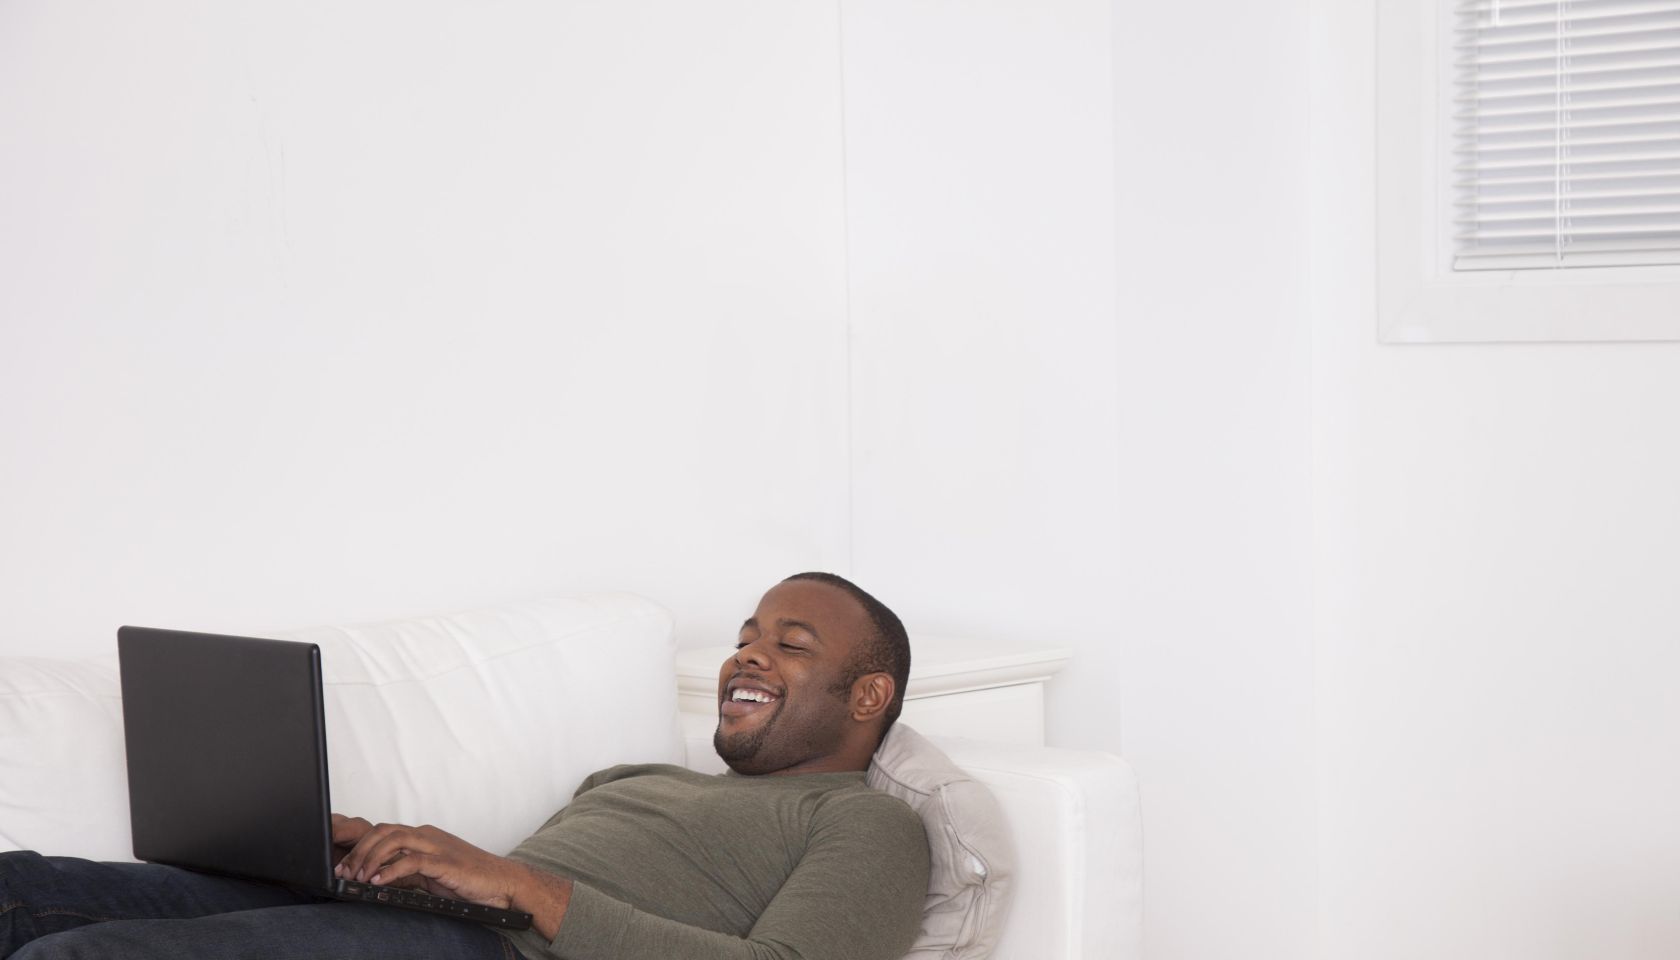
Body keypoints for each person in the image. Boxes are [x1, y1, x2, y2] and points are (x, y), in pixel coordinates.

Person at [0, 573, 931, 960]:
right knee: (23, 894)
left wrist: (523, 888)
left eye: (790, 645)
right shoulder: (635, 779)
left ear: (866, 697)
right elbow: (504, 888)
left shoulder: (865, 822)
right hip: (432, 922)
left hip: (500, 953)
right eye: (744, 638)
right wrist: (371, 848)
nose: (746, 657)